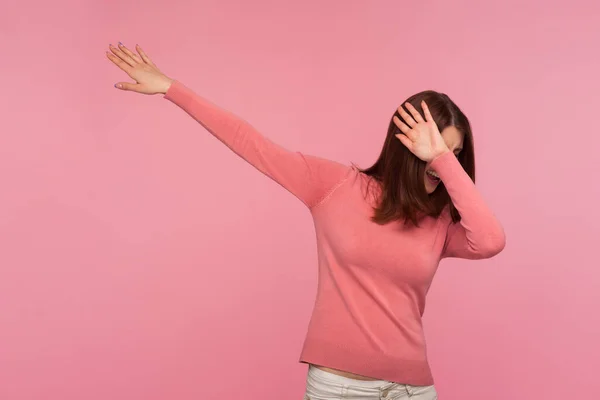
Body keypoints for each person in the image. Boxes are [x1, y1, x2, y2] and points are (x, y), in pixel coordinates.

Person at [106, 42, 506, 400]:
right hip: (339, 389)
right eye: (433, 150)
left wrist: (441, 160)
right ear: (404, 145)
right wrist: (172, 89)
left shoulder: (440, 224)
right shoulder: (335, 186)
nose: (440, 164)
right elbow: (252, 143)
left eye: (453, 154)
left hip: (413, 390)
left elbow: (491, 241)